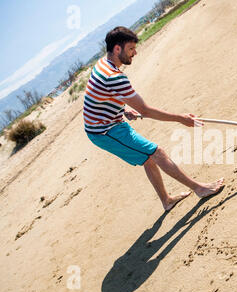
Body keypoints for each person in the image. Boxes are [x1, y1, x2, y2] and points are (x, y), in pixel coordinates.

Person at [84, 26, 224, 211]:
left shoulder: (103, 64)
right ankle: (199, 188)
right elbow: (146, 110)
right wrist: (181, 118)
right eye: (131, 49)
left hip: (110, 122)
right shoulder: (113, 77)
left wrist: (123, 110)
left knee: (147, 157)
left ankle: (166, 201)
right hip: (104, 131)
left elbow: (101, 97)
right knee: (157, 152)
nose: (135, 53)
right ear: (117, 49)